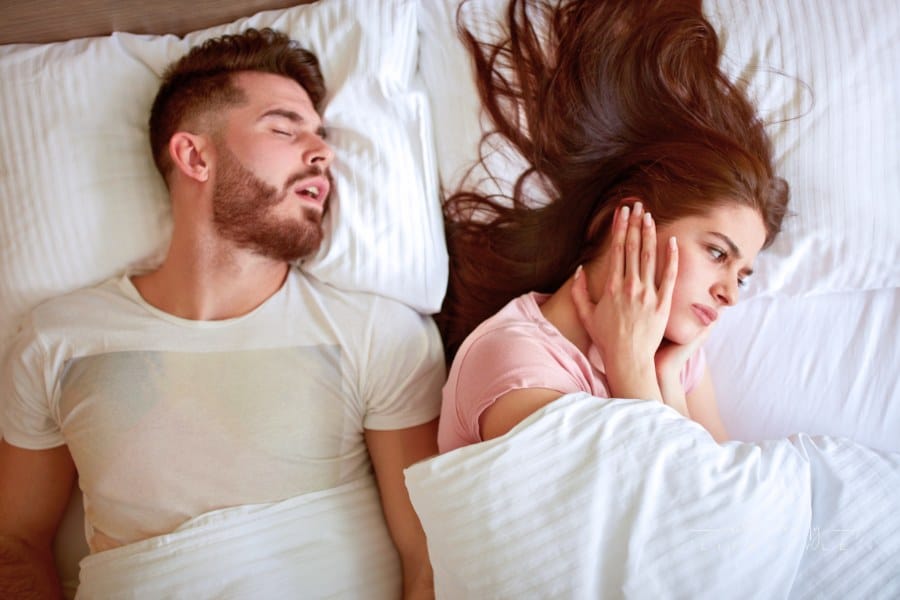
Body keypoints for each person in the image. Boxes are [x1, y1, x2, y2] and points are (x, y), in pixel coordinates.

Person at [0, 29, 443, 598]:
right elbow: (14, 546)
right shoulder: (57, 342)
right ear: (193, 155)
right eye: (285, 129)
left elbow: (429, 558)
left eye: (322, 136)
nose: (324, 153)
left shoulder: (378, 335)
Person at [436, 0, 789, 452]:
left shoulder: (674, 359)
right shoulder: (517, 363)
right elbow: (667, 509)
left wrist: (659, 374)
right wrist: (633, 371)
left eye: (741, 275)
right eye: (717, 253)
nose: (731, 294)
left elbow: (725, 506)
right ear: (628, 220)